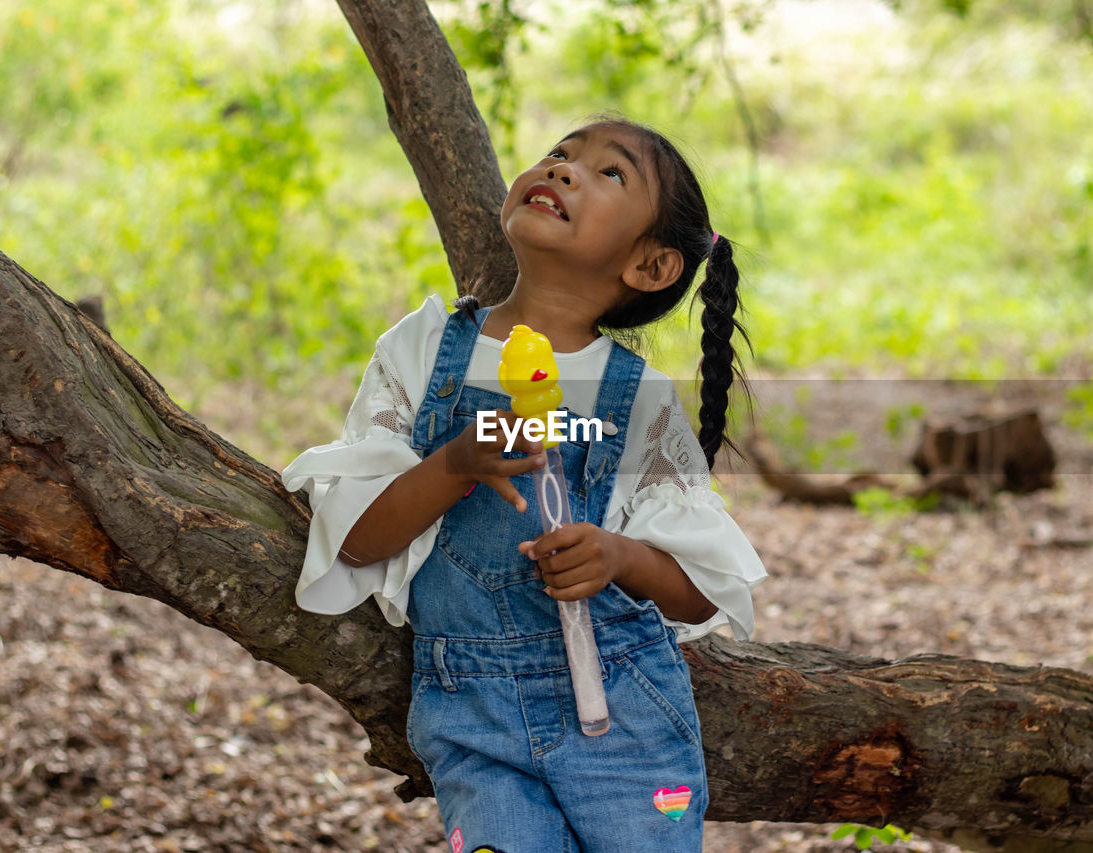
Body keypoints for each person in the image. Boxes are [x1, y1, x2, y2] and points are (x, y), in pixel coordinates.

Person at [280, 118, 766, 853]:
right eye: (561, 153)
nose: (564, 169)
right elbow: (357, 541)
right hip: (475, 722)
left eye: (610, 174)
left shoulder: (639, 400)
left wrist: (618, 557)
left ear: (652, 267)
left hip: (626, 724)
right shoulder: (422, 350)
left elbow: (703, 591)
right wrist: (457, 462)